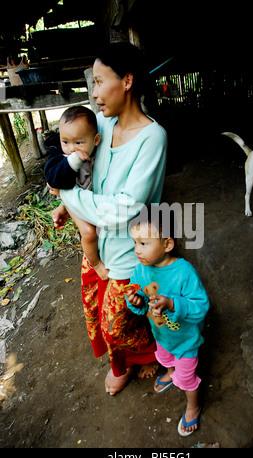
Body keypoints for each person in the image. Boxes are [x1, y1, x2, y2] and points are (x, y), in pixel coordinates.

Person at [48, 42, 167, 395]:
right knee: (94, 314)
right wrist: (67, 200)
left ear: (127, 81)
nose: (94, 93)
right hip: (95, 244)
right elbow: (67, 158)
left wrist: (67, 197)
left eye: (100, 82)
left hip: (129, 252)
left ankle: (153, 355)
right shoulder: (99, 122)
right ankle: (123, 362)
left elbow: (124, 209)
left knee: (117, 322)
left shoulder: (152, 137)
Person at [126, 206, 210, 436]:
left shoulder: (184, 272)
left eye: (144, 243)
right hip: (161, 335)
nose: (137, 250)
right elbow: (140, 299)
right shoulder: (141, 269)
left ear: (167, 245)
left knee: (187, 378)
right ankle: (170, 371)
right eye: (135, 242)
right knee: (164, 358)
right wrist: (134, 299)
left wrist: (173, 304)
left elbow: (201, 307)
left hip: (185, 341)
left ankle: (193, 406)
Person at [45, 106, 109, 280]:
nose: (71, 148)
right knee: (88, 232)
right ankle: (96, 265)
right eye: (65, 142)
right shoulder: (64, 160)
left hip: (80, 198)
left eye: (78, 143)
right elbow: (54, 180)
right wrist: (72, 161)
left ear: (96, 140)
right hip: (73, 199)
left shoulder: (97, 154)